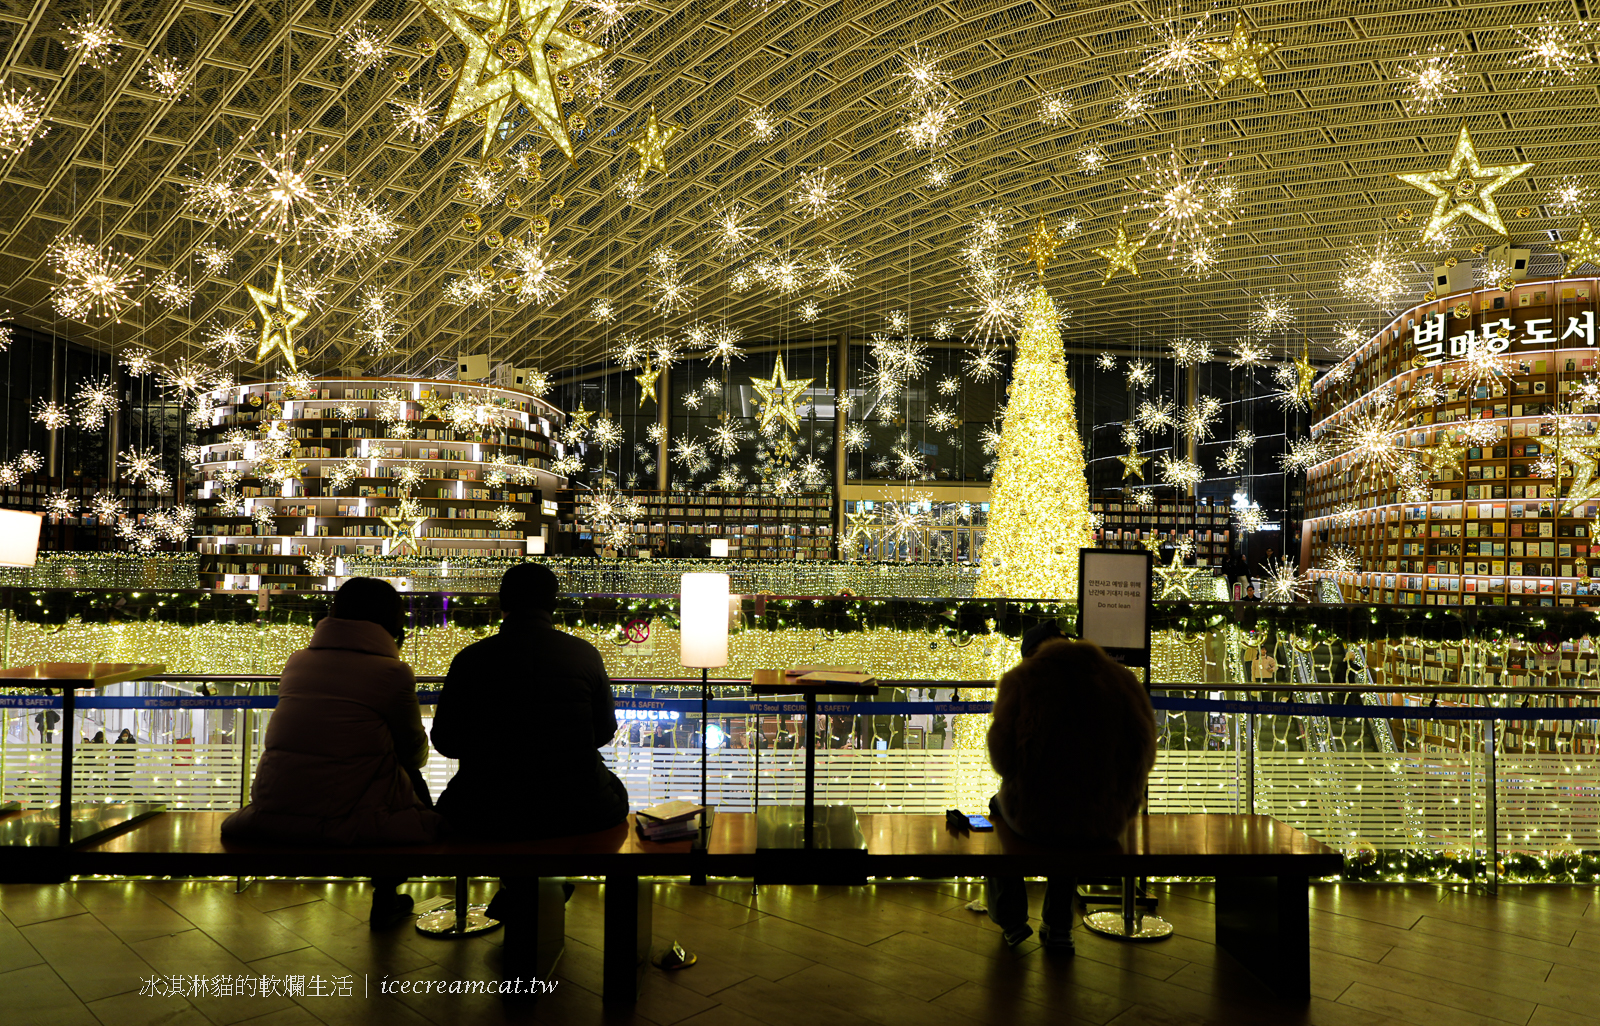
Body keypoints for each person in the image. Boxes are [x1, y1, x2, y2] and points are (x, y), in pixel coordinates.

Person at [222, 577, 439, 929]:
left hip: (278, 806)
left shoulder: (297, 661)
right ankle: (385, 894)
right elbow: (413, 753)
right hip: (345, 816)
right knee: (411, 782)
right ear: (391, 621)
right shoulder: (393, 672)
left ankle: (387, 895)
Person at [431, 562, 627, 919]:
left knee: (505, 807)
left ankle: (520, 890)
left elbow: (446, 741)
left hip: (485, 807)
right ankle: (542, 888)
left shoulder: (470, 660)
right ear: (553, 605)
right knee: (610, 792)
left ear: (502, 603)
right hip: (579, 806)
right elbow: (602, 734)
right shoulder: (585, 654)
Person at [981, 636, 1157, 951]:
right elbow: (1144, 751)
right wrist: (1121, 803)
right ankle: (1059, 924)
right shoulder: (1121, 680)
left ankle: (1011, 919)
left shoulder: (1024, 681)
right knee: (1077, 810)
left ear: (1032, 655)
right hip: (1102, 822)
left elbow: (1002, 758)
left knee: (997, 812)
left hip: (1036, 821)